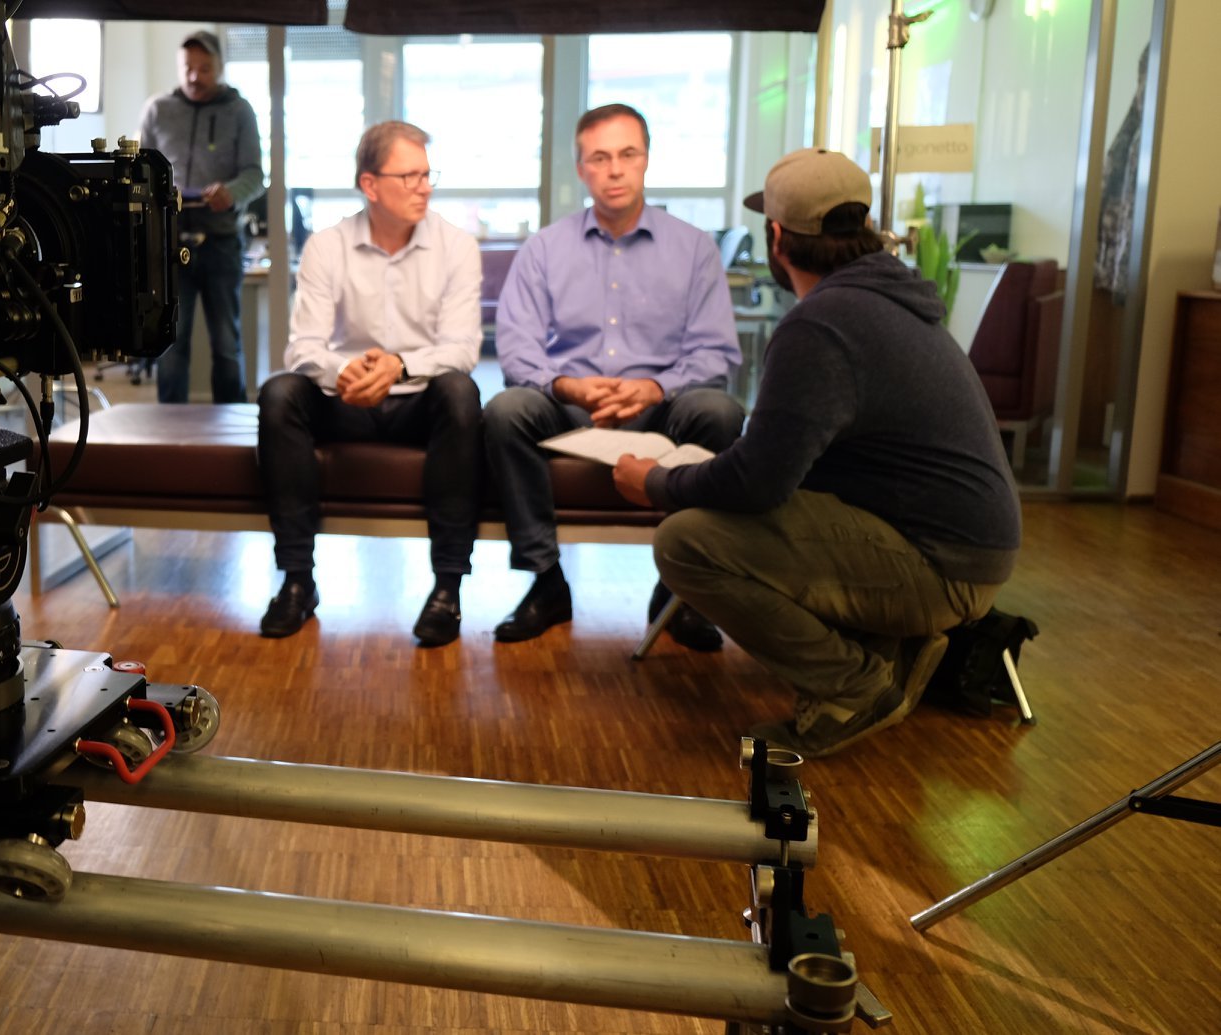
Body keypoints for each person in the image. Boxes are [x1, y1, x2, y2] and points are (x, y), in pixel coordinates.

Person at [612, 148, 1021, 758]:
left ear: (776, 238)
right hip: (965, 550)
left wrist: (656, 482)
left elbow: (757, 482)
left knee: (686, 541)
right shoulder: (890, 300)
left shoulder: (823, 324)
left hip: (942, 567)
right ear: (865, 226)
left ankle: (853, 688)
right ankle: (892, 648)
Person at [483, 103, 745, 647]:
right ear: (581, 169)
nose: (616, 169)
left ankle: (678, 588)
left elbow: (716, 351)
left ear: (647, 159)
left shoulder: (693, 248)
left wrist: (655, 387)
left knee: (720, 411)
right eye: (600, 158)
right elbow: (516, 346)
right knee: (506, 410)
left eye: (628, 154)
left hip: (662, 405)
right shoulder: (545, 249)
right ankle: (546, 581)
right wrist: (565, 386)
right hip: (569, 405)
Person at [256, 122, 482, 645]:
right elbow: (303, 346)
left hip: (419, 401)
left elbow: (462, 349)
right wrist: (346, 373)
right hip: (346, 400)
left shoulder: (456, 246)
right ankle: (297, 581)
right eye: (410, 176)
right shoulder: (327, 246)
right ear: (370, 184)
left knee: (461, 392)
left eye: (428, 174)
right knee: (280, 393)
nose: (424, 187)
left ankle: (448, 589)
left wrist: (398, 366)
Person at [138, 30, 265, 405]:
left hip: (221, 246)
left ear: (220, 67)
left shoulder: (240, 111)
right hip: (168, 248)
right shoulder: (157, 109)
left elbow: (255, 175)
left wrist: (231, 193)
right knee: (171, 344)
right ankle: (170, 428)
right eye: (188, 68)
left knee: (226, 345)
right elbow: (141, 171)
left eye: (204, 68)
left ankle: (234, 427)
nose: (194, 76)